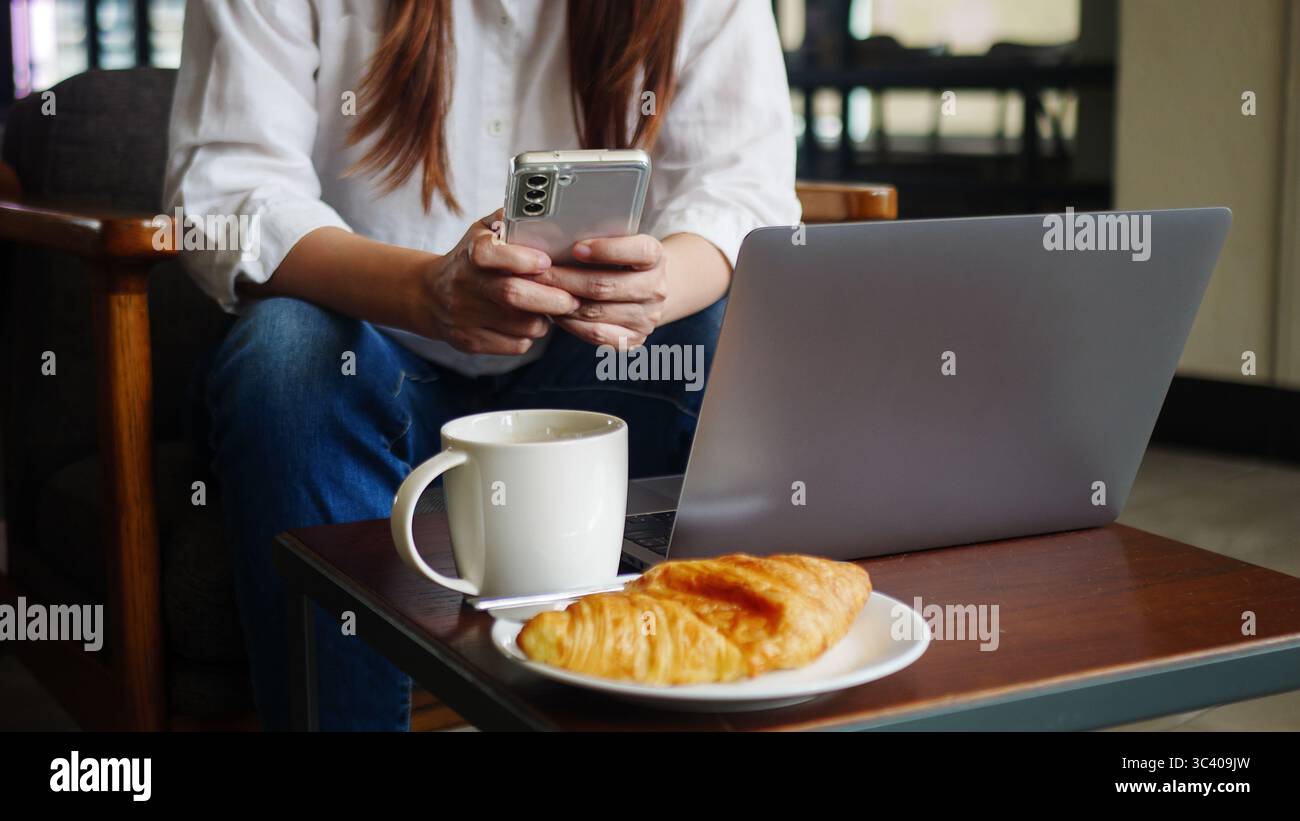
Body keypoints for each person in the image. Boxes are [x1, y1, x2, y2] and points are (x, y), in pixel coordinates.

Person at [164, 0, 800, 730]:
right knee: (284, 349)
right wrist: (423, 292)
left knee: (716, 326)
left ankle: (688, 689)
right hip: (367, 358)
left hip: (592, 368)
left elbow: (742, 190)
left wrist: (652, 288)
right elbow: (228, 194)